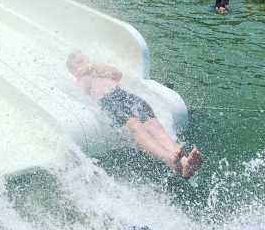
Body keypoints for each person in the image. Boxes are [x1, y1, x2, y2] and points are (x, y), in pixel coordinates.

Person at [67, 52, 202, 177]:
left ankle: (185, 163)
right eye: (78, 63)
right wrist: (84, 74)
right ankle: (169, 160)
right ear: (74, 71)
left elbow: (118, 75)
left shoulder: (99, 69)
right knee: (136, 127)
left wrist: (96, 67)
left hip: (126, 96)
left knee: (156, 128)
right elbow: (85, 92)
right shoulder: (81, 80)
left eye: (83, 59)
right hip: (109, 101)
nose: (83, 63)